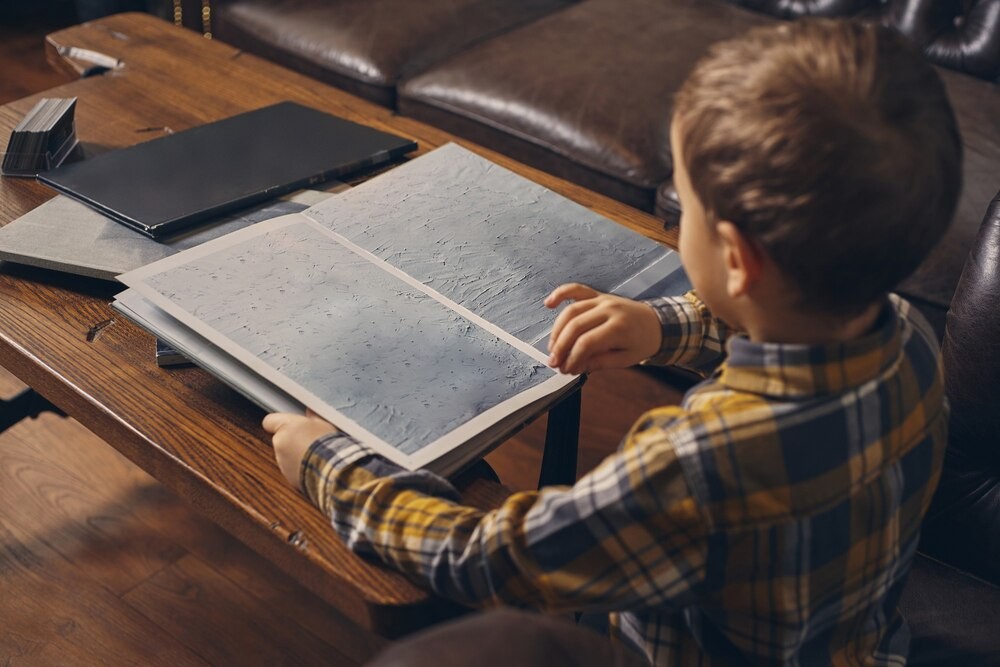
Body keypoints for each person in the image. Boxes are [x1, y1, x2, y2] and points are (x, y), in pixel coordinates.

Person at [262, 18, 961, 665]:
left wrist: (333, 469)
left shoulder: (698, 468)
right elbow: (784, 324)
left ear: (738, 259)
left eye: (684, 204)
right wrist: (661, 325)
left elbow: (491, 557)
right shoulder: (910, 335)